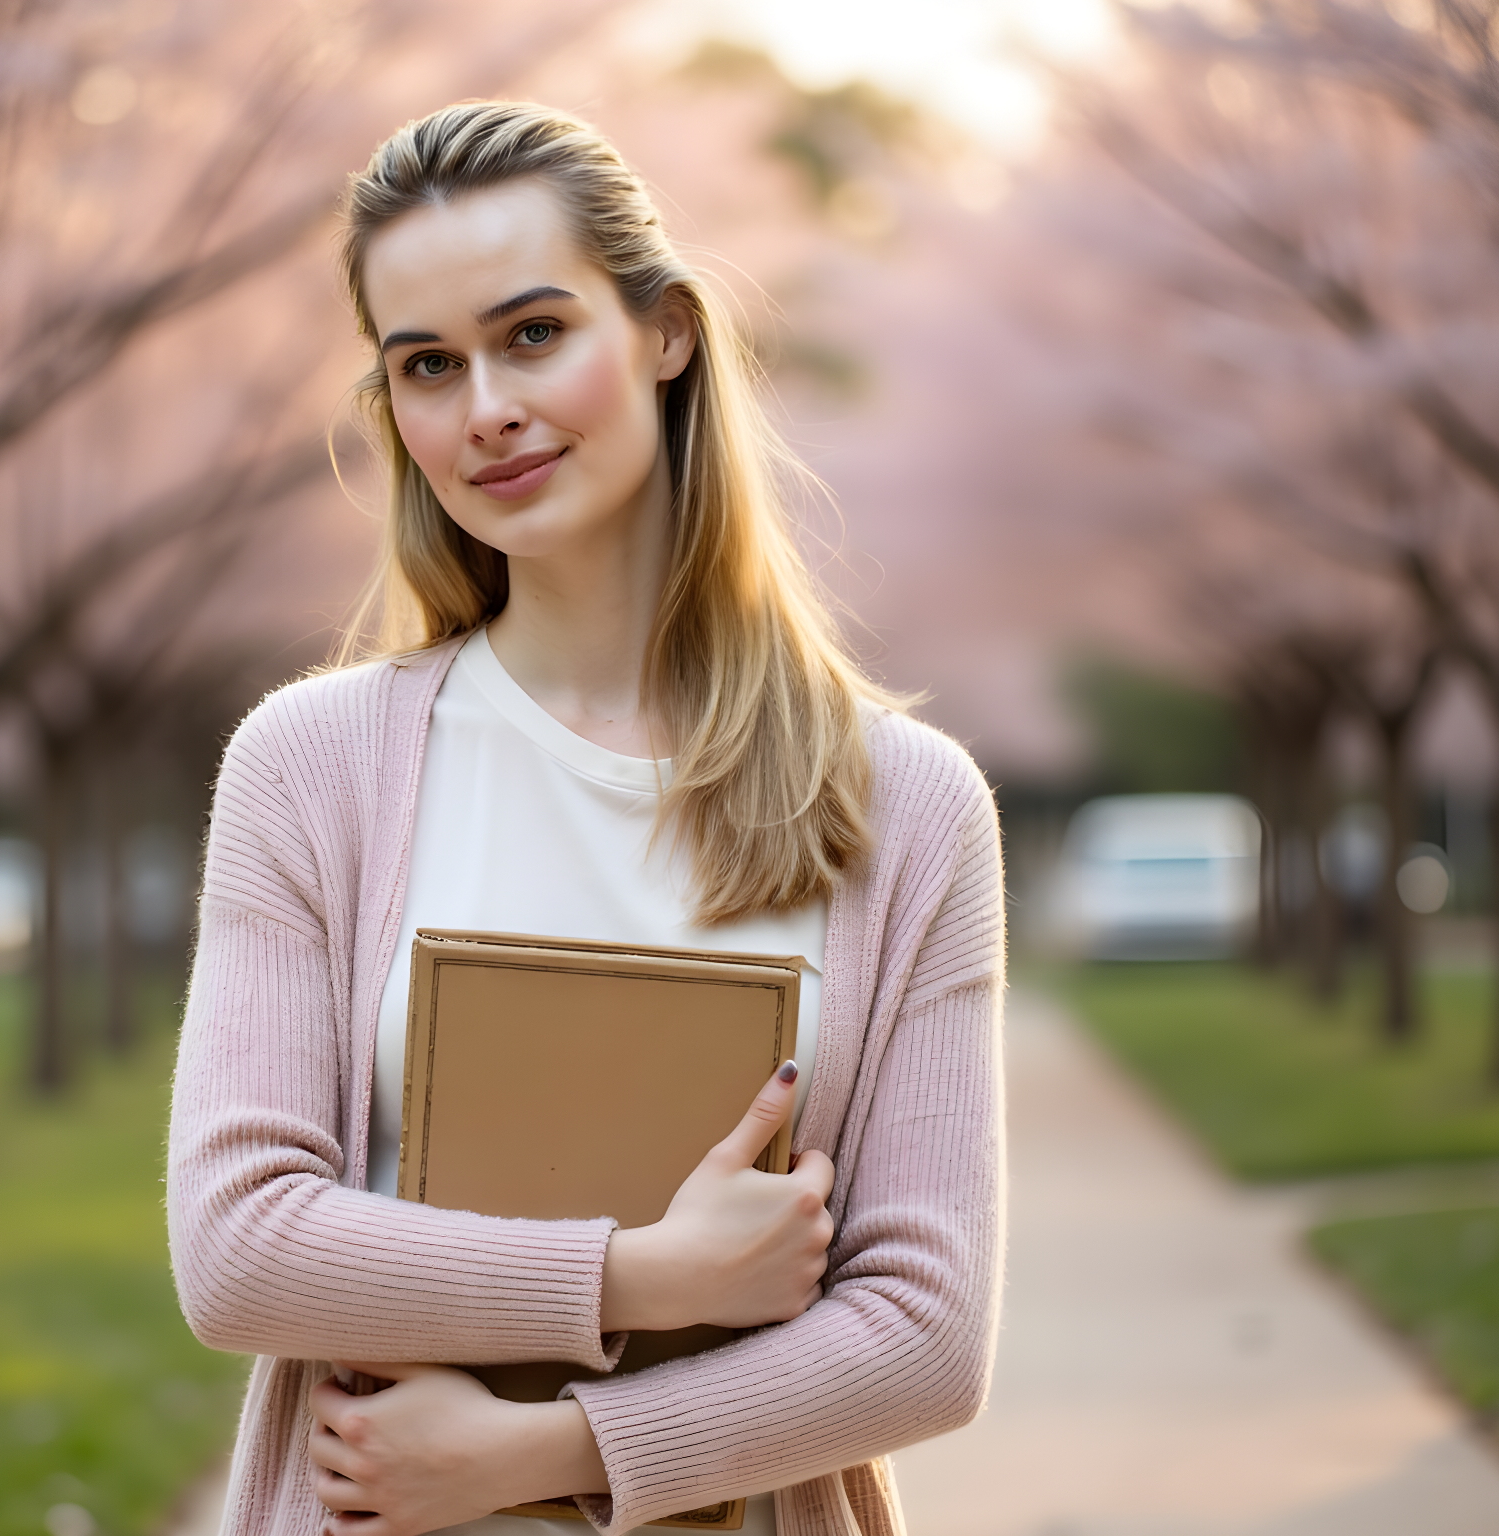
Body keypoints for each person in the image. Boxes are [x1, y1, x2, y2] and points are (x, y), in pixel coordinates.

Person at [166, 101, 1005, 1536]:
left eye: (534, 333)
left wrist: (550, 1452)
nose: (483, 405)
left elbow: (926, 1335)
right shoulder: (309, 767)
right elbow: (240, 1249)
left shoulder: (908, 809)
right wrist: (636, 1278)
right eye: (427, 365)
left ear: (664, 332)